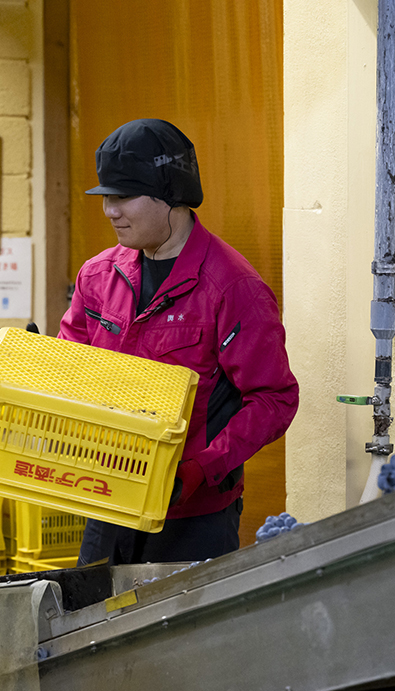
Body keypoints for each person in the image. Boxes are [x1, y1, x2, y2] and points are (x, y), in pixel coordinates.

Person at [60, 119, 299, 565]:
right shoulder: (97, 276)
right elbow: (71, 363)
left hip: (194, 515)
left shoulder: (232, 287)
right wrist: (28, 362)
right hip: (108, 498)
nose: (110, 210)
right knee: (93, 627)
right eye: (106, 198)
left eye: (122, 196)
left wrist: (199, 470)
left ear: (170, 197)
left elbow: (274, 398)